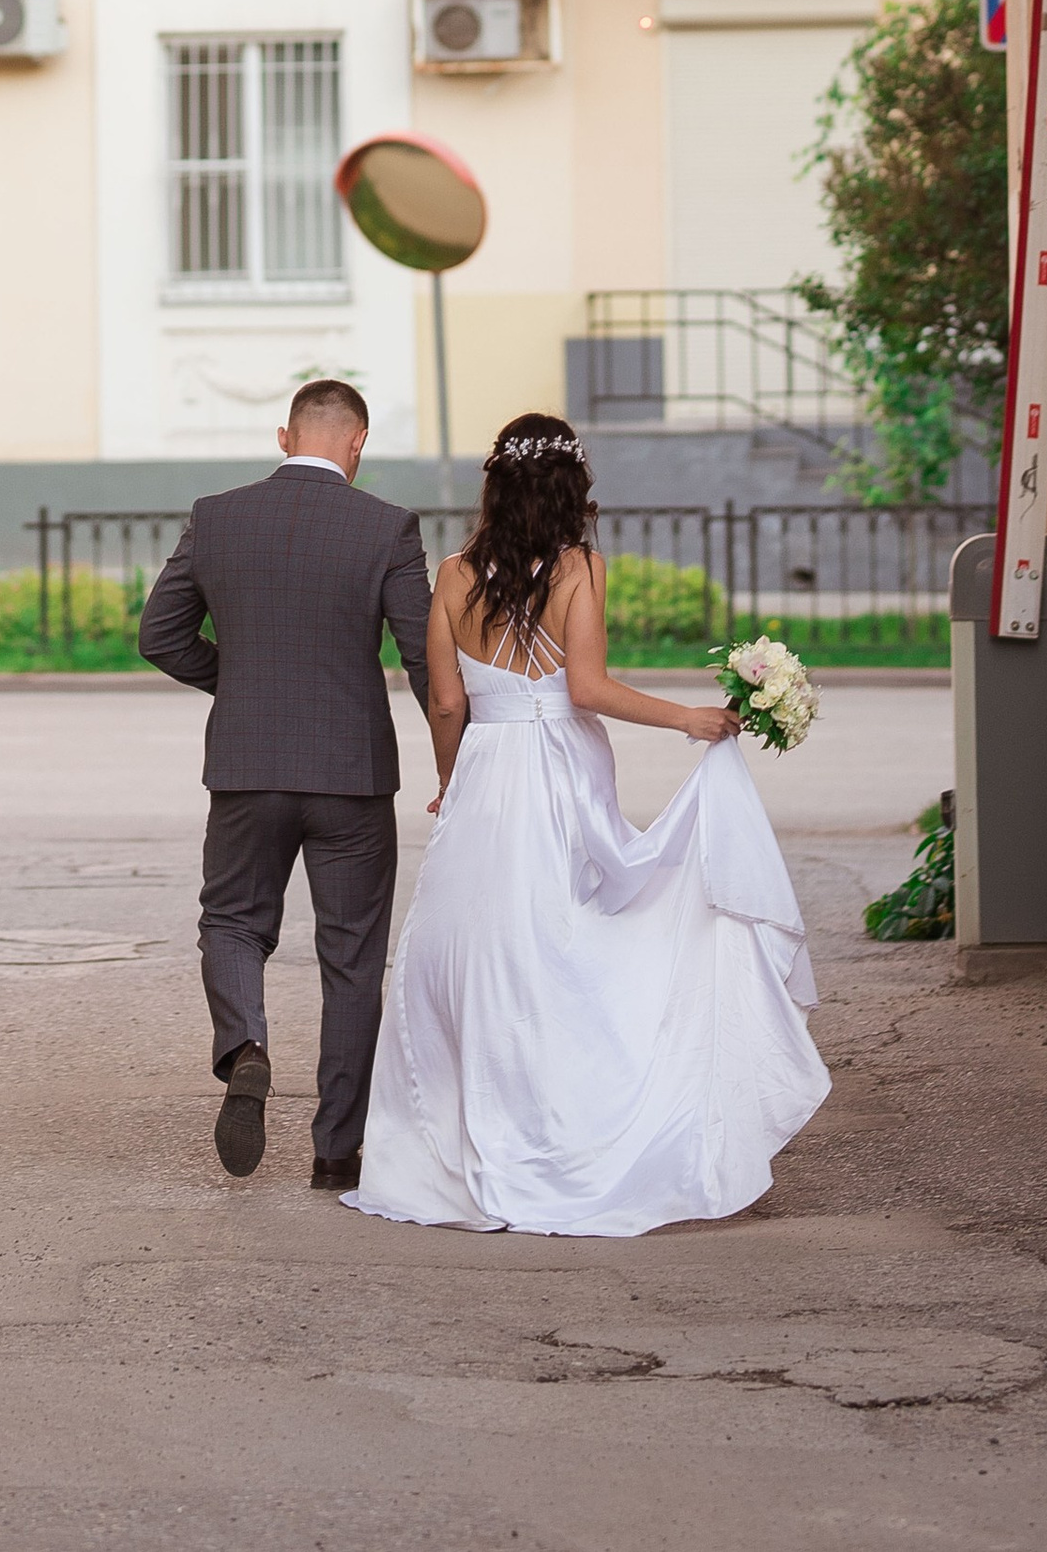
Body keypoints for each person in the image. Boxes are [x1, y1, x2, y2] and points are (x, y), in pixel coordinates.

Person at [347, 411, 830, 1237]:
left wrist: (449, 781)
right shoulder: (578, 566)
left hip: (485, 773)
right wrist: (689, 716)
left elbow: (446, 699)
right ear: (572, 487)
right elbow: (587, 689)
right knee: (566, 945)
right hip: (557, 772)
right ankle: (570, 1131)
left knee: (476, 952)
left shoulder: (456, 573)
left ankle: (464, 1138)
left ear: (495, 484)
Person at [137, 377, 445, 1193]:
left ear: (283, 436)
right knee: (351, 956)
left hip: (247, 766)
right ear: (358, 441)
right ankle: (336, 1150)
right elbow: (426, 663)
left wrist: (234, 681)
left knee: (233, 921)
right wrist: (465, 760)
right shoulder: (387, 527)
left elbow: (159, 633)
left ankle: (246, 1047)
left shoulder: (217, 515)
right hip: (351, 776)